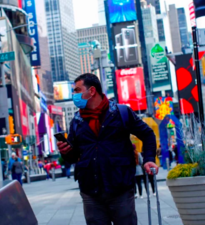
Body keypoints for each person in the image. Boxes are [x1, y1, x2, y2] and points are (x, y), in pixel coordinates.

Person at [57, 73, 158, 225]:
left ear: (92, 91)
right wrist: (66, 152)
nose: (74, 95)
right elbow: (74, 156)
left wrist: (149, 159)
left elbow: (147, 134)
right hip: (91, 193)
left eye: (77, 90)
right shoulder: (76, 121)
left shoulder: (120, 113)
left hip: (120, 189)